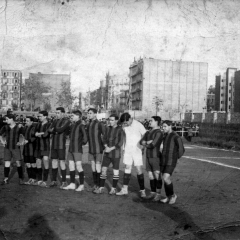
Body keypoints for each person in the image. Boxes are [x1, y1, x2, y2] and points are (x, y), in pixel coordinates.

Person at [116, 113, 147, 197]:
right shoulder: (124, 126)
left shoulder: (138, 124)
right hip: (128, 150)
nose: (126, 124)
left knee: (138, 169)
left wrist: (142, 145)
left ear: (130, 119)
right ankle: (124, 189)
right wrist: (123, 148)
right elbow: (124, 137)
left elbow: (145, 134)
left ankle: (142, 190)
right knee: (127, 168)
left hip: (137, 150)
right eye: (124, 123)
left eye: (126, 122)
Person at [94, 114, 125, 194]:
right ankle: (101, 187)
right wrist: (105, 146)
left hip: (116, 154)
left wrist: (110, 148)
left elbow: (120, 142)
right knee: (103, 170)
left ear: (116, 121)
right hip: (107, 153)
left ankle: (113, 188)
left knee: (115, 172)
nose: (110, 122)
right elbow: (103, 139)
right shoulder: (107, 128)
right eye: (109, 120)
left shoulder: (120, 130)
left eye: (112, 120)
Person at [160, 120, 185, 204]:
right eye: (162, 126)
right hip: (164, 160)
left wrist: (175, 158)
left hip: (171, 161)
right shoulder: (165, 136)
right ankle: (168, 196)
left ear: (170, 126)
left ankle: (173, 195)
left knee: (165, 177)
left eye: (165, 126)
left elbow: (181, 149)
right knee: (165, 178)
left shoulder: (176, 136)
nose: (163, 128)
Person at [63, 110, 88, 191]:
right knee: (71, 166)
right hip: (71, 149)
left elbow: (85, 138)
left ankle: (81, 185)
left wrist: (80, 144)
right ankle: (72, 184)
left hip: (77, 149)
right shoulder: (72, 125)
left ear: (78, 116)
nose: (71, 117)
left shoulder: (81, 125)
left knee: (78, 166)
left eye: (73, 115)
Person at [140, 116, 164, 201]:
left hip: (155, 157)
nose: (150, 122)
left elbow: (153, 145)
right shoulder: (148, 132)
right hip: (148, 156)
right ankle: (153, 193)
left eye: (151, 121)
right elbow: (141, 141)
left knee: (157, 175)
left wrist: (146, 143)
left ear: (157, 122)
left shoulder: (159, 133)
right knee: (150, 176)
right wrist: (147, 142)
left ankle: (158, 194)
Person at [49, 107, 71, 188]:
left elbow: (61, 129)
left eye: (58, 113)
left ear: (63, 113)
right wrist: (56, 130)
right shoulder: (54, 121)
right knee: (54, 161)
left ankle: (64, 181)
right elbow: (49, 130)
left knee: (62, 162)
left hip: (61, 145)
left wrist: (55, 130)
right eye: (56, 112)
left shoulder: (66, 121)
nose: (56, 114)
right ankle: (54, 180)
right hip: (54, 144)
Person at [0, 114, 25, 185]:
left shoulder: (19, 127)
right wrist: (2, 141)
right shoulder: (5, 127)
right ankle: (6, 179)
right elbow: (0, 134)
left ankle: (21, 179)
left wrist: (21, 142)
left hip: (16, 148)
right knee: (7, 162)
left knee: (18, 163)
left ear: (12, 119)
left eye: (7, 119)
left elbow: (23, 136)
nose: (6, 120)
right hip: (7, 147)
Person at [87, 108, 105, 192]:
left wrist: (104, 145)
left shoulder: (100, 124)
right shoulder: (89, 124)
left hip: (98, 149)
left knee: (98, 167)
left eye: (90, 113)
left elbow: (105, 135)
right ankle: (95, 184)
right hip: (91, 149)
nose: (89, 114)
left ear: (95, 114)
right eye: (88, 113)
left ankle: (99, 185)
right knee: (93, 167)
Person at [34, 111, 51, 187]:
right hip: (38, 146)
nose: (39, 117)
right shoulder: (38, 124)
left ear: (45, 116)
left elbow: (46, 134)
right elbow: (34, 133)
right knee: (38, 161)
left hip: (45, 146)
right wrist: (40, 133)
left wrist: (39, 134)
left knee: (46, 161)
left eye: (40, 116)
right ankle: (39, 180)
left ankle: (45, 180)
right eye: (38, 116)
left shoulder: (49, 124)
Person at [22, 116, 37, 185]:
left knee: (33, 164)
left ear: (31, 122)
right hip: (26, 149)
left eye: (27, 121)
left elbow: (35, 137)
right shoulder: (25, 128)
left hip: (32, 149)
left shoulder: (34, 128)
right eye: (26, 120)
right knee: (28, 164)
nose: (26, 122)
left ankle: (34, 179)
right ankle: (30, 179)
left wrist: (28, 141)